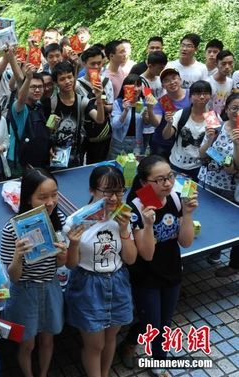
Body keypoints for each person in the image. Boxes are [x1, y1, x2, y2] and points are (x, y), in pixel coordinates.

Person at [120, 155, 197, 376]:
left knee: (163, 322)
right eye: (160, 179)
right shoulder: (135, 207)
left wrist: (188, 214)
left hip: (171, 271)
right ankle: (157, 362)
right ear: (145, 182)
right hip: (146, 276)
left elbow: (185, 241)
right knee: (153, 324)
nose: (168, 183)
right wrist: (147, 224)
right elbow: (146, 253)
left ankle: (132, 343)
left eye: (170, 177)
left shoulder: (175, 199)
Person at [65, 165, 137, 377]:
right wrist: (74, 243)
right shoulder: (76, 221)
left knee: (110, 338)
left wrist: (124, 230)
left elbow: (130, 259)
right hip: (88, 285)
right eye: (107, 191)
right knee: (95, 345)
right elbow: (70, 265)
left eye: (119, 191)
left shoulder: (122, 218)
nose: (113, 198)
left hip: (117, 281)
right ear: (92, 190)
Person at [0, 168, 68, 377]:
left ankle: (43, 374)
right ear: (28, 198)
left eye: (54, 194)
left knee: (48, 339)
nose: (50, 202)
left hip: (51, 286)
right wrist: (18, 255)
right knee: (27, 344)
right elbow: (14, 277)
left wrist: (64, 252)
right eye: (43, 197)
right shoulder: (12, 229)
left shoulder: (60, 220)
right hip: (25, 292)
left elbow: (60, 264)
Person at [198, 93, 239, 266]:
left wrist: (237, 145)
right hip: (206, 180)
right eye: (235, 108)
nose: (237, 112)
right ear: (227, 109)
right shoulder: (217, 126)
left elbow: (235, 168)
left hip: (227, 187)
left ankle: (215, 252)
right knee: (201, 216)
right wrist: (210, 138)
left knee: (221, 223)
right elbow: (202, 154)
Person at [51, 61, 104, 168]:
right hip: (54, 154)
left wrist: (99, 98)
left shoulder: (82, 101)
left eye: (69, 77)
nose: (67, 81)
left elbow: (99, 119)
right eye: (62, 79)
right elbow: (47, 129)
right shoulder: (51, 102)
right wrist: (52, 125)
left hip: (75, 154)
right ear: (56, 83)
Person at [162, 80, 211, 179]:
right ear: (191, 97)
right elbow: (166, 136)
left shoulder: (212, 117)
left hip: (199, 167)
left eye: (205, 93)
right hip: (177, 164)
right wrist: (169, 123)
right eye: (197, 94)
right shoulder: (182, 113)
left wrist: (211, 139)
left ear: (210, 96)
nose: (202, 97)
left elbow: (214, 144)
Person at [76, 47, 114, 163]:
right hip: (83, 132)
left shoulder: (106, 82)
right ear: (84, 64)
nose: (96, 67)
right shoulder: (78, 85)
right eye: (93, 64)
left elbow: (110, 106)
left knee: (99, 163)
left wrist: (101, 102)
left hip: (102, 132)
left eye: (99, 63)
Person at [148, 67, 190, 159]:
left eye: (174, 78)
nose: (171, 82)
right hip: (163, 144)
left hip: (185, 142)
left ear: (180, 79)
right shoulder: (162, 101)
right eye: (166, 80)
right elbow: (156, 123)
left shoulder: (192, 95)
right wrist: (150, 109)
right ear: (163, 85)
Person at [110, 74, 147, 157]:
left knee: (134, 167)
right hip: (119, 143)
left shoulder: (145, 103)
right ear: (125, 88)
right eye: (132, 86)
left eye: (138, 85)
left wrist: (147, 117)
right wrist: (125, 111)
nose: (136, 89)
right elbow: (115, 125)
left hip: (137, 142)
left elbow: (149, 126)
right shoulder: (118, 103)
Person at [208, 50, 234, 115]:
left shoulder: (231, 82)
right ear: (216, 64)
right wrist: (212, 124)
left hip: (224, 117)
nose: (227, 67)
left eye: (230, 63)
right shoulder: (208, 83)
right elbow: (203, 106)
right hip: (210, 118)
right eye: (223, 63)